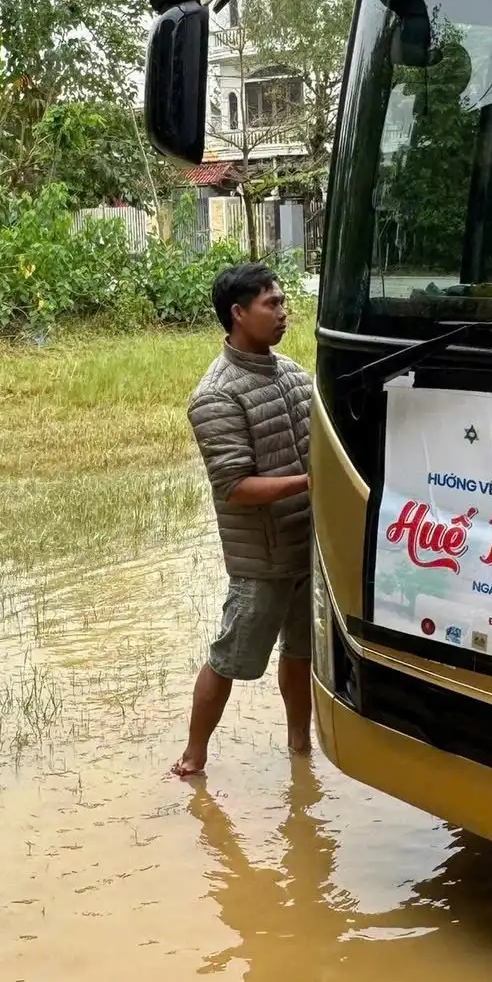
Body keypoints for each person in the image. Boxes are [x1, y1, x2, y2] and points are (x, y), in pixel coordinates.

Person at [173, 260, 312, 779]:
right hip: (263, 559)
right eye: (270, 304)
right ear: (238, 313)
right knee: (230, 657)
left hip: (307, 549)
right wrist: (310, 485)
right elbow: (235, 487)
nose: (283, 313)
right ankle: (194, 755)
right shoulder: (215, 394)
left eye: (282, 302)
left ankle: (301, 748)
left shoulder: (296, 375)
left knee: (301, 654)